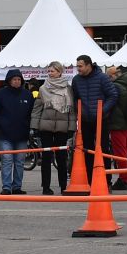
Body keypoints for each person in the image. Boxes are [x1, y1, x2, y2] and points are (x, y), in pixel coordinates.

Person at [71, 55, 119, 183]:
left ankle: (106, 180)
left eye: (80, 66)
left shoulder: (102, 78)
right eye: (77, 66)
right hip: (85, 120)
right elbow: (75, 97)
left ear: (89, 65)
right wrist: (78, 110)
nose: (78, 69)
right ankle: (90, 180)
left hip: (101, 119)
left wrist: (102, 110)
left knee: (102, 149)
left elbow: (113, 96)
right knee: (87, 150)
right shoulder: (76, 80)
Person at [31, 61, 77, 195]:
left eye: (53, 71)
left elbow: (71, 110)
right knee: (45, 159)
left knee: (61, 159)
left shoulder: (68, 88)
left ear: (60, 72)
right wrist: (34, 127)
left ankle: (63, 186)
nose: (50, 73)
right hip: (45, 127)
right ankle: (46, 187)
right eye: (49, 71)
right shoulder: (43, 88)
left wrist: (71, 127)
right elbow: (37, 108)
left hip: (62, 128)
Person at [0, 68, 33, 194]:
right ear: (9, 81)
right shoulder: (1, 94)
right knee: (7, 160)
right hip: (5, 134)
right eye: (14, 79)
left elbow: (31, 113)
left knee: (20, 162)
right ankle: (6, 187)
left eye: (19, 79)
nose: (16, 81)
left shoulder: (27, 94)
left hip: (22, 134)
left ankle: (17, 187)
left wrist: (28, 127)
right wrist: (2, 124)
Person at [105, 64, 127, 188]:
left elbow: (112, 104)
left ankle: (124, 179)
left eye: (109, 77)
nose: (108, 79)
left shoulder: (115, 86)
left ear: (114, 75)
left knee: (120, 153)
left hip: (117, 124)